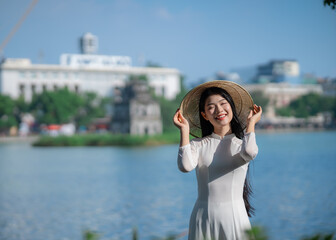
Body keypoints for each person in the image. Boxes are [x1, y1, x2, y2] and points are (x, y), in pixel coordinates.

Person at [173, 80, 262, 240]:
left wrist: (251, 124)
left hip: (234, 217)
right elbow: (185, 166)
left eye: (223, 103)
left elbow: (249, 152)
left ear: (231, 107)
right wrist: (184, 130)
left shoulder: (241, 145)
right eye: (211, 107)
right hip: (203, 216)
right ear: (204, 115)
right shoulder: (198, 145)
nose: (219, 110)